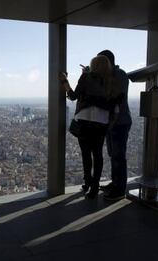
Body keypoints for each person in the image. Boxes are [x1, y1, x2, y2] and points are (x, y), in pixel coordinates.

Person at [60, 55, 120, 199]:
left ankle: (87, 182)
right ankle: (94, 188)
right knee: (98, 155)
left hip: (85, 122)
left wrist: (64, 80)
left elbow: (73, 96)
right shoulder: (112, 80)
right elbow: (115, 104)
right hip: (102, 123)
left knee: (86, 155)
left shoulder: (86, 78)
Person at [98, 50, 132, 201]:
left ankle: (119, 189)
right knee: (113, 155)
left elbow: (112, 95)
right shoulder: (112, 75)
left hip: (120, 121)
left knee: (119, 156)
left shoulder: (120, 74)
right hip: (111, 122)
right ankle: (116, 183)